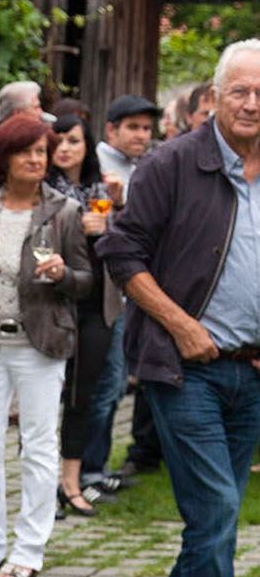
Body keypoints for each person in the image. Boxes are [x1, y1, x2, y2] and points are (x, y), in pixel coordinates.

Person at [96, 39, 260, 577]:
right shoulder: (173, 162)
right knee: (217, 507)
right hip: (184, 366)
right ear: (215, 97)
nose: (253, 104)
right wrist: (182, 325)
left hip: (249, 369)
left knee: (211, 519)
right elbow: (120, 247)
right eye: (241, 91)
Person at [0, 115, 92, 577]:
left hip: (39, 343)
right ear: (3, 157)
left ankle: (28, 551)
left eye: (41, 151)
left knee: (37, 446)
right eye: (25, 151)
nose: (36, 159)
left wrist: (62, 274)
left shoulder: (62, 212)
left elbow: (86, 281)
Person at [80, 93, 160, 492]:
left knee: (115, 385)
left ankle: (97, 467)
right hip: (101, 293)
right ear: (111, 129)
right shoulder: (96, 168)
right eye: (133, 127)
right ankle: (87, 471)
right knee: (102, 384)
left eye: (147, 128)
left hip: (135, 290)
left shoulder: (148, 165)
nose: (142, 136)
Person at [44, 113, 114, 518]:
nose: (66, 148)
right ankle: (40, 486)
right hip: (53, 303)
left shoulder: (100, 190)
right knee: (42, 399)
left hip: (95, 303)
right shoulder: (41, 191)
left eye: (74, 140)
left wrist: (107, 226)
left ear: (86, 145)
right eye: (59, 141)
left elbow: (120, 246)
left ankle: (71, 483)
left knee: (81, 396)